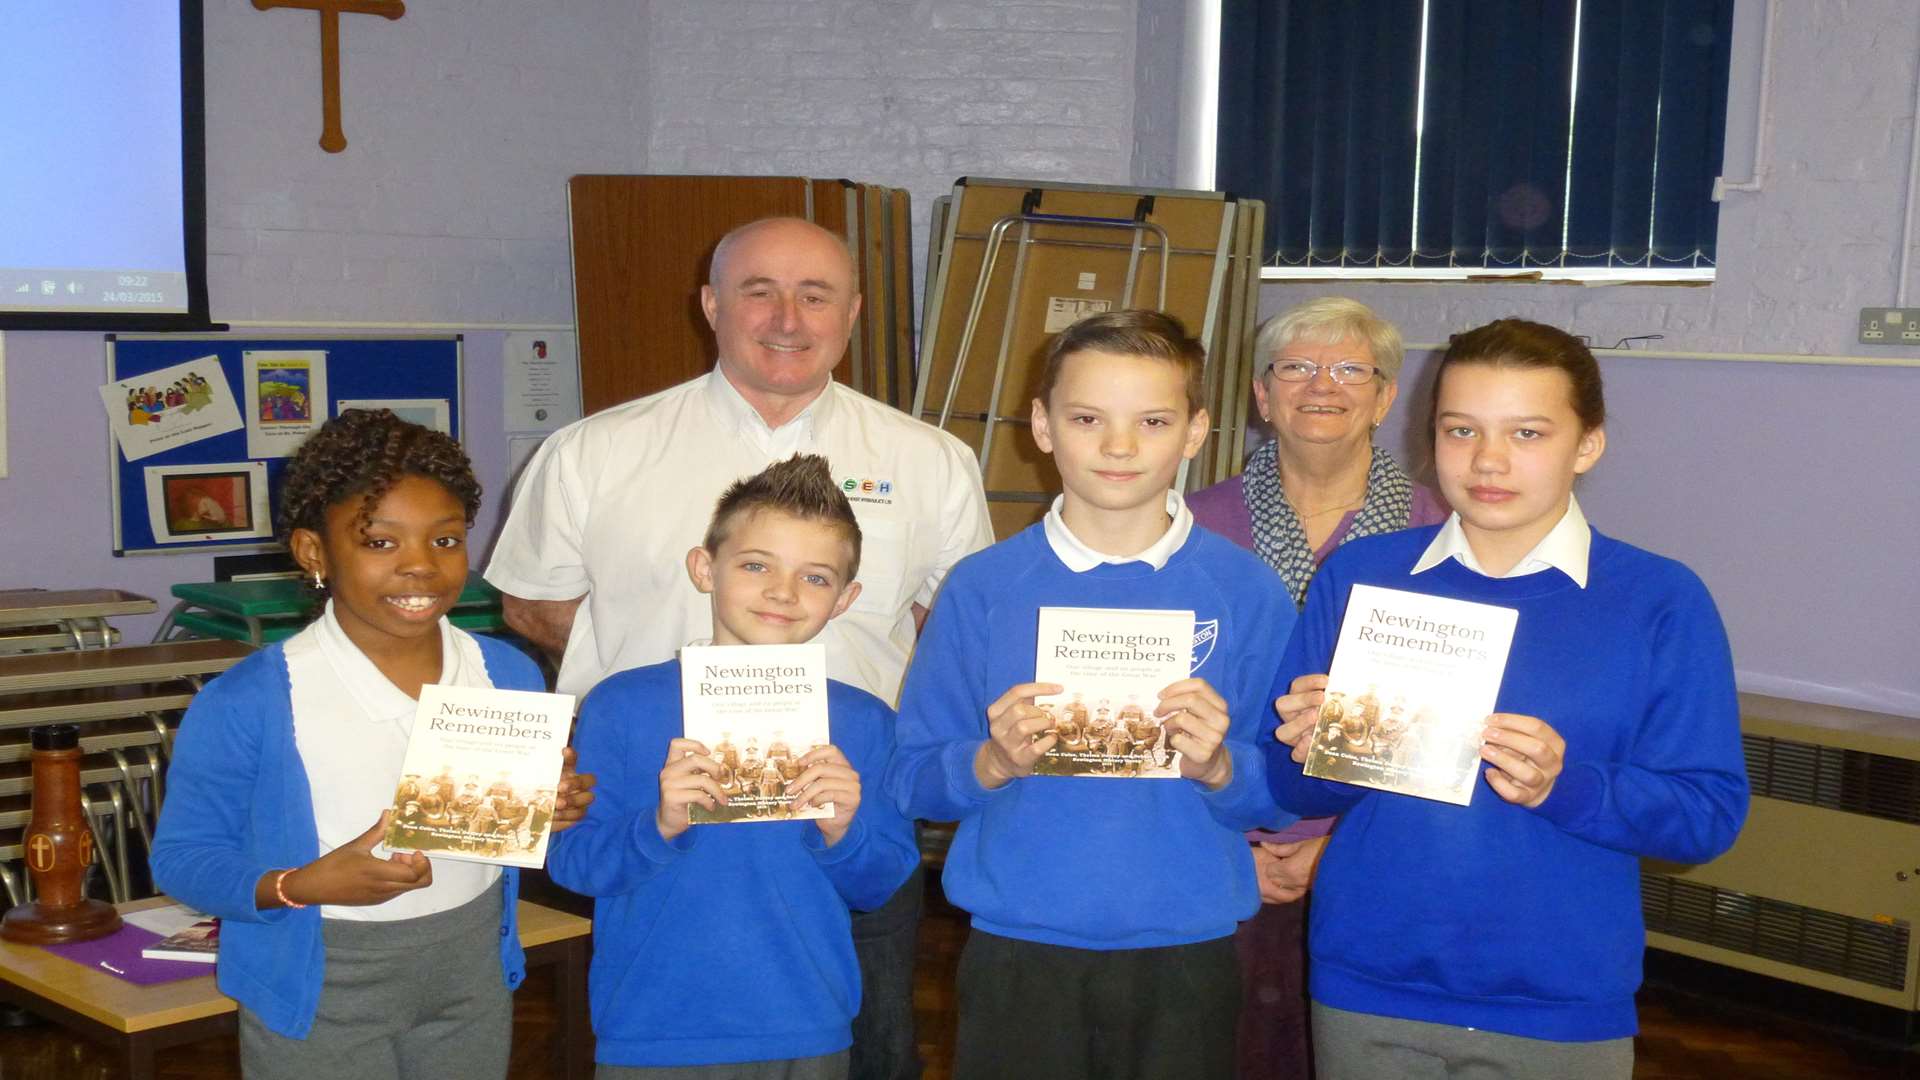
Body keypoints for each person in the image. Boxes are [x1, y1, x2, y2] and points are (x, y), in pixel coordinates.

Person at [487, 216, 992, 1080]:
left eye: (815, 294)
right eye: (759, 291)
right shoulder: (594, 451)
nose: (787, 317)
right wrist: (666, 697)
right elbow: (534, 606)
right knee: (662, 1027)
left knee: (866, 1046)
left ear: (854, 311)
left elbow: (953, 630)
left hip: (842, 813)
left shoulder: (931, 460)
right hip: (660, 819)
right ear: (712, 304)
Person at [1266, 318, 1749, 1078]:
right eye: (1461, 430)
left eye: (1527, 432)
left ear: (1586, 445)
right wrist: (1315, 745)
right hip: (1369, 986)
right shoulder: (1361, 575)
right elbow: (1286, 787)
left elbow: (1708, 815)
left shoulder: (1658, 599)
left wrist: (1570, 786)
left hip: (1558, 1002)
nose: (1488, 460)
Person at [885, 310, 1297, 1080]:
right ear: (1041, 425)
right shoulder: (983, 588)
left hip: (1186, 947)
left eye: (1152, 420)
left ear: (1197, 430)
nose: (1118, 445)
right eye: (1086, 418)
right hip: (1019, 944)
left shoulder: (1245, 590)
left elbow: (1282, 788)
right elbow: (912, 777)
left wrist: (1218, 769)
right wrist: (991, 762)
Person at [150, 409, 595, 1080]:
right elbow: (183, 860)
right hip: (322, 980)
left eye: (445, 541)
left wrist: (549, 811)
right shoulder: (254, 700)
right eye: (381, 543)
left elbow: (502, 836)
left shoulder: (507, 673)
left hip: (470, 972)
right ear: (313, 553)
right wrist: (296, 884)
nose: (420, 566)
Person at [549, 454, 919, 1077]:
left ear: (846, 598)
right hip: (652, 1023)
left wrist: (842, 831)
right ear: (704, 568)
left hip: (806, 1020)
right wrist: (658, 824)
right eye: (755, 565)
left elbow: (881, 882)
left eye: (816, 577)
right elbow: (573, 865)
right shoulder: (620, 704)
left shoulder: (863, 720)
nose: (783, 592)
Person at [1188, 296, 1448, 1078]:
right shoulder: (1190, 524)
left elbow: (1448, 719)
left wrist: (1335, 847)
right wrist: (1232, 846)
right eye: (1295, 367)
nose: (1321, 385)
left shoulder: (1439, 533)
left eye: (1348, 369)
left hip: (1376, 850)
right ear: (1262, 395)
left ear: (1384, 395)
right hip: (1213, 842)